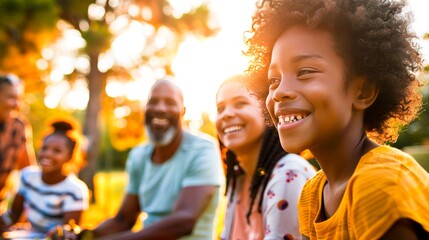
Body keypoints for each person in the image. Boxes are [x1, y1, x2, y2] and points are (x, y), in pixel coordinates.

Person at [244, 0, 429, 239]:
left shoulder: (380, 182)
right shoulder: (312, 194)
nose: (279, 92)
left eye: (304, 72)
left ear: (362, 91)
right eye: (273, 80)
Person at [79, 79, 223, 240]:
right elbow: (123, 220)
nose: (160, 108)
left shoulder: (203, 150)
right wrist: (82, 236)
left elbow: (184, 221)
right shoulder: (138, 155)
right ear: (145, 110)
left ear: (183, 111)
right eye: (153, 102)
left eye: (170, 102)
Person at [216, 75, 316, 240]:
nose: (226, 114)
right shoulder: (238, 178)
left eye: (240, 103)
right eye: (220, 108)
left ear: (267, 112)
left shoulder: (289, 173)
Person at [0, 119, 89, 236]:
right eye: (45, 148)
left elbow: (66, 233)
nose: (48, 154)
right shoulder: (27, 176)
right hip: (27, 234)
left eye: (57, 151)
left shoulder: (75, 190)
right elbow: (13, 216)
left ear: (69, 156)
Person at [0, 74, 36, 204]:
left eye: (19, 99)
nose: (17, 104)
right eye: (11, 97)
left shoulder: (19, 126)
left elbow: (28, 171)